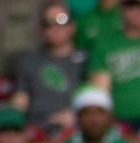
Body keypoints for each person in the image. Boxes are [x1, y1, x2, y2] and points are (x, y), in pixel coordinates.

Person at [11, 2, 87, 134]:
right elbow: (20, 100)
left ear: (73, 26)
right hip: (37, 131)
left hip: (77, 129)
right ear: (41, 29)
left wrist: (76, 114)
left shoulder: (86, 59)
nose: (56, 27)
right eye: (49, 23)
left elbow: (98, 97)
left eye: (62, 20)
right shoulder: (29, 60)